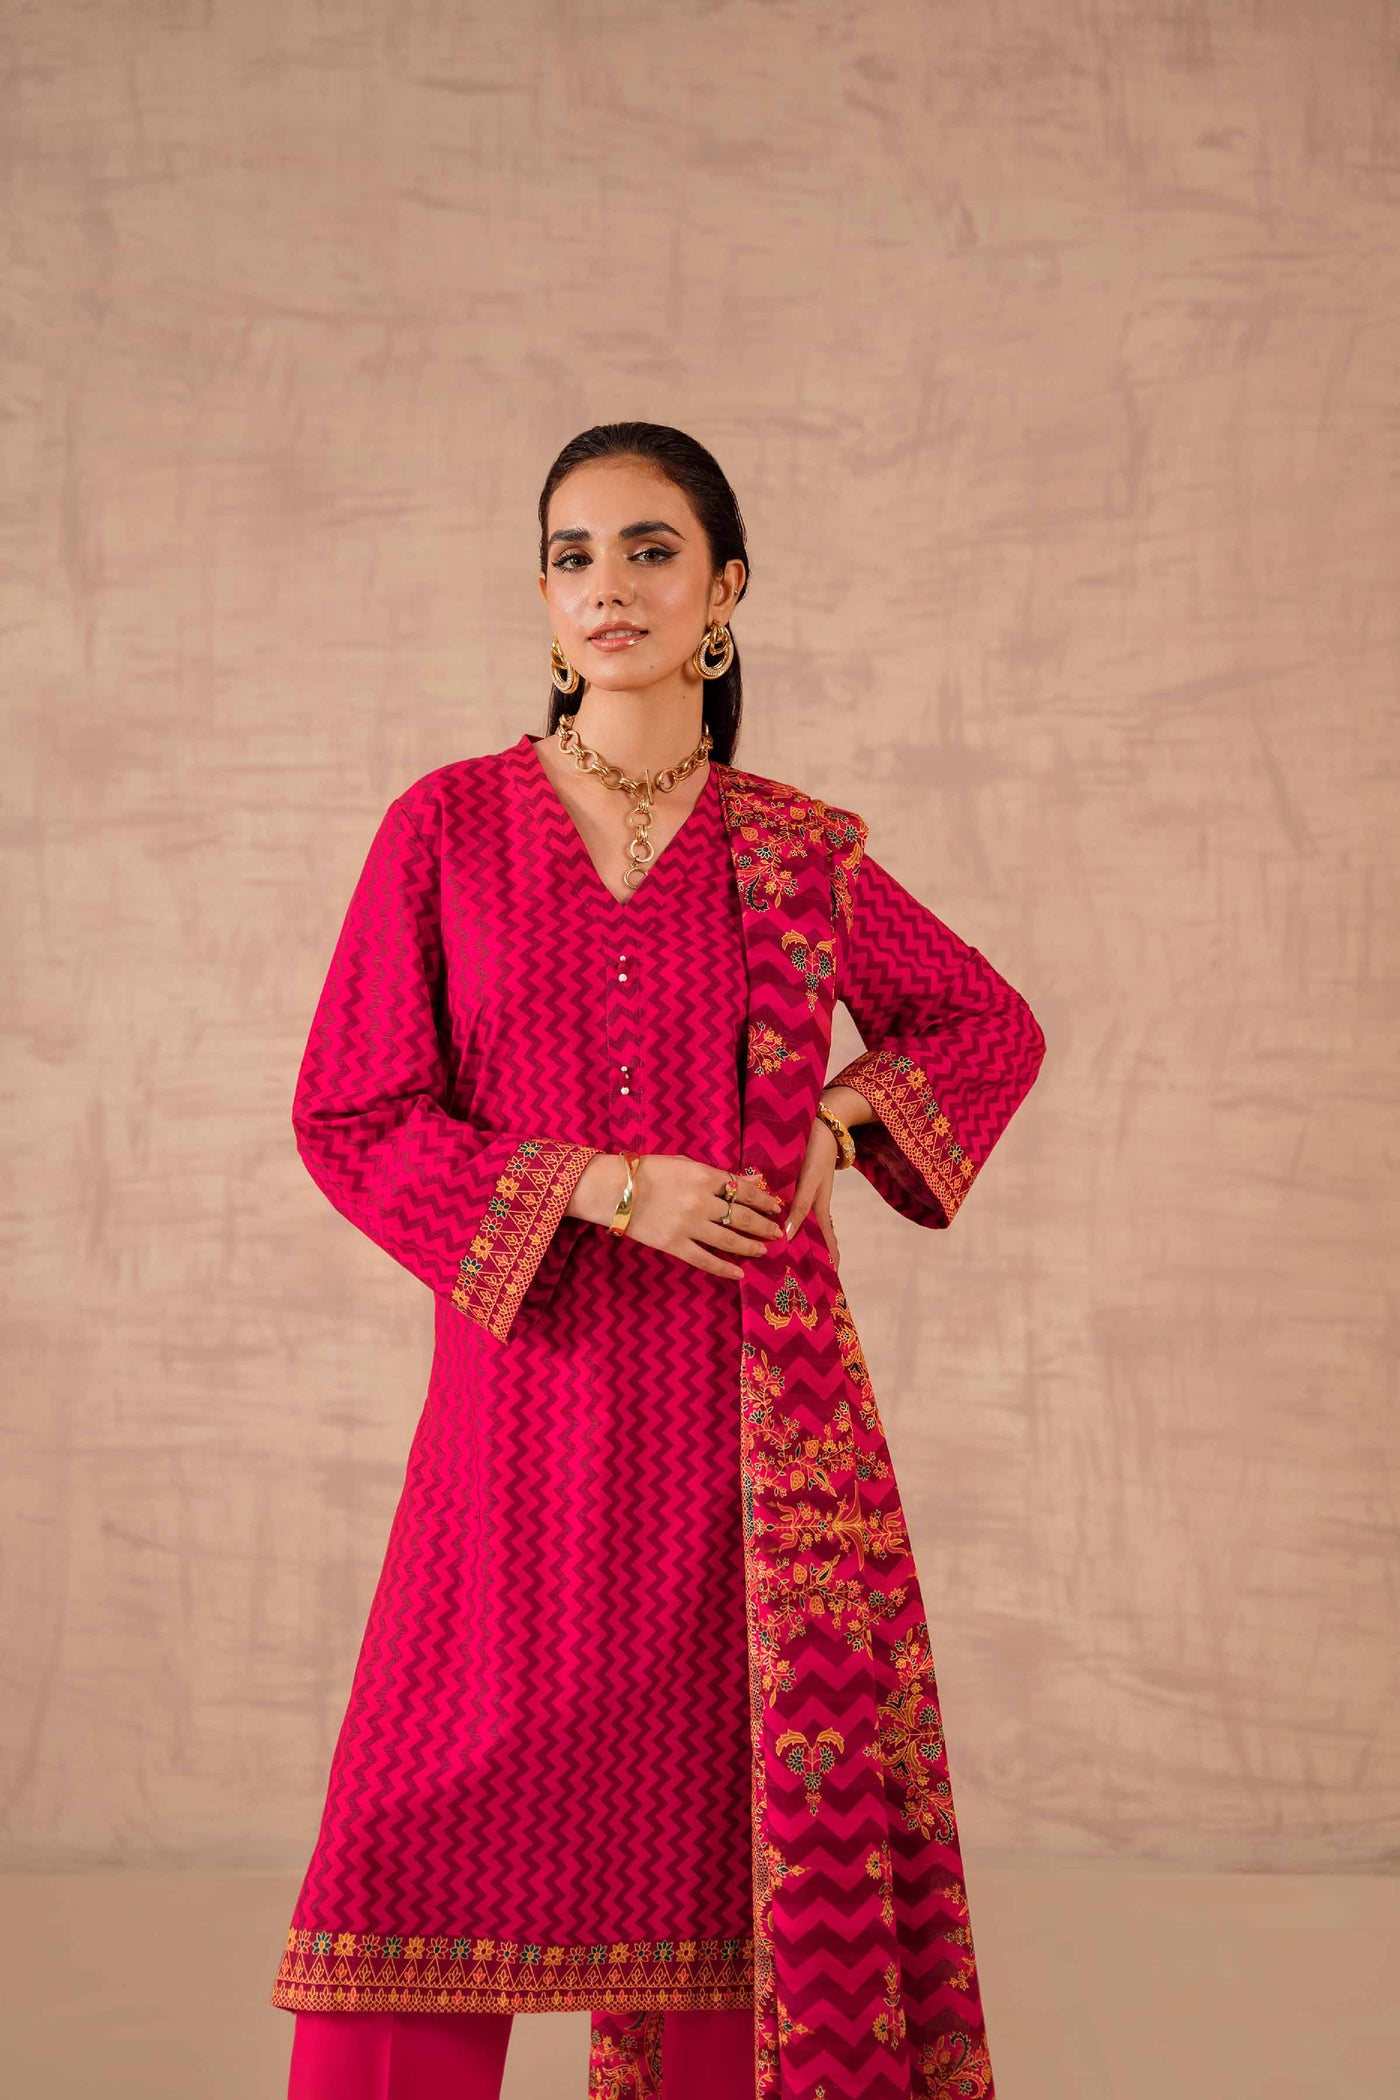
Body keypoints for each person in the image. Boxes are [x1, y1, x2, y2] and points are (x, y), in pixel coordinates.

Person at [270, 421, 1046, 2100]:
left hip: (744, 1444)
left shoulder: (793, 850)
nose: (606, 585)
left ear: (724, 590)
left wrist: (833, 1129)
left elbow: (989, 1024)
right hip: (518, 1426)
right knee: (412, 1837)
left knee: (733, 1869)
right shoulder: (447, 829)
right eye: (573, 555)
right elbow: (352, 1111)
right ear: (543, 599)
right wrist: (607, 1189)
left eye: (649, 550)